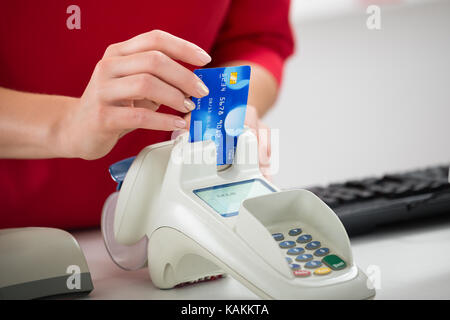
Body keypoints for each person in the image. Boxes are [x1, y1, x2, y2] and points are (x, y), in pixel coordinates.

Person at [0, 1, 294, 229]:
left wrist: (232, 105)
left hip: (180, 221)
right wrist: (65, 125)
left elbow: (257, 38)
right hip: (15, 241)